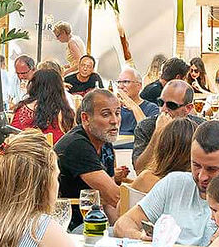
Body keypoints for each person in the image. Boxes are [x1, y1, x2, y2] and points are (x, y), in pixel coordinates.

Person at [115, 121, 219, 247]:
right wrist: (140, 237)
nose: (202, 176)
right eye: (196, 165)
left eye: (212, 169)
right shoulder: (174, 183)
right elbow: (122, 224)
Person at [54, 89, 127, 228]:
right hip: (69, 226)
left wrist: (122, 231)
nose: (114, 121)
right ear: (85, 118)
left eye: (117, 113)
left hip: (94, 221)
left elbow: (110, 204)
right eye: (106, 114)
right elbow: (115, 196)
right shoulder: (77, 145)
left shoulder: (105, 144)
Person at [133, 79, 205, 171]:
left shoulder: (200, 128)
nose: (163, 109)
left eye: (171, 105)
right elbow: (140, 170)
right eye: (161, 103)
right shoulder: (145, 126)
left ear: (188, 108)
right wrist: (157, 133)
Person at [131, 117, 195, 194]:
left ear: (162, 146)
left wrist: (157, 133)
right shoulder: (200, 186)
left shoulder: (146, 179)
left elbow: (122, 205)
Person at [11, 69, 75, 143]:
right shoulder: (62, 112)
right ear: (58, 88)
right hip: (50, 153)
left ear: (33, 86)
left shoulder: (20, 108)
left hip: (20, 151)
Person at [113, 67, 158, 139]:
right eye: (119, 82)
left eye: (126, 82)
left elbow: (148, 133)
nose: (120, 86)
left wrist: (133, 106)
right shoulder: (114, 109)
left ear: (139, 86)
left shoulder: (151, 108)